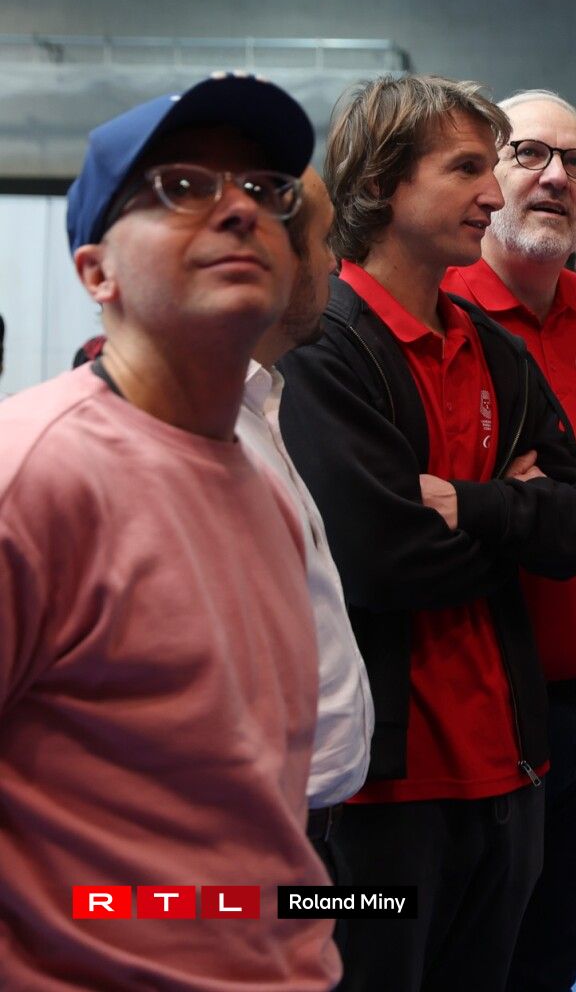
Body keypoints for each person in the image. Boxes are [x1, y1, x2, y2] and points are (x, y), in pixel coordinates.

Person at [277, 74, 576, 992]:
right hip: (372, 801)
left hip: (507, 774)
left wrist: (474, 505)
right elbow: (381, 559)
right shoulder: (323, 348)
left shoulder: (491, 348)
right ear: (381, 184)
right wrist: (519, 516)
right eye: (467, 169)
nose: (493, 193)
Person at [0, 73, 337, 988]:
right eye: (182, 187)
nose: (241, 209)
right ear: (96, 273)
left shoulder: (260, 479)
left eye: (265, 188)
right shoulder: (34, 477)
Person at [444, 87, 576, 992]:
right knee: (467, 960)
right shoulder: (442, 301)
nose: (556, 177)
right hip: (483, 708)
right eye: (529, 154)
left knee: (554, 954)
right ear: (487, 176)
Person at [236, 166, 374, 877]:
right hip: (240, 840)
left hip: (304, 820)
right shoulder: (187, 433)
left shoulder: (260, 402)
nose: (334, 265)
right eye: (323, 243)